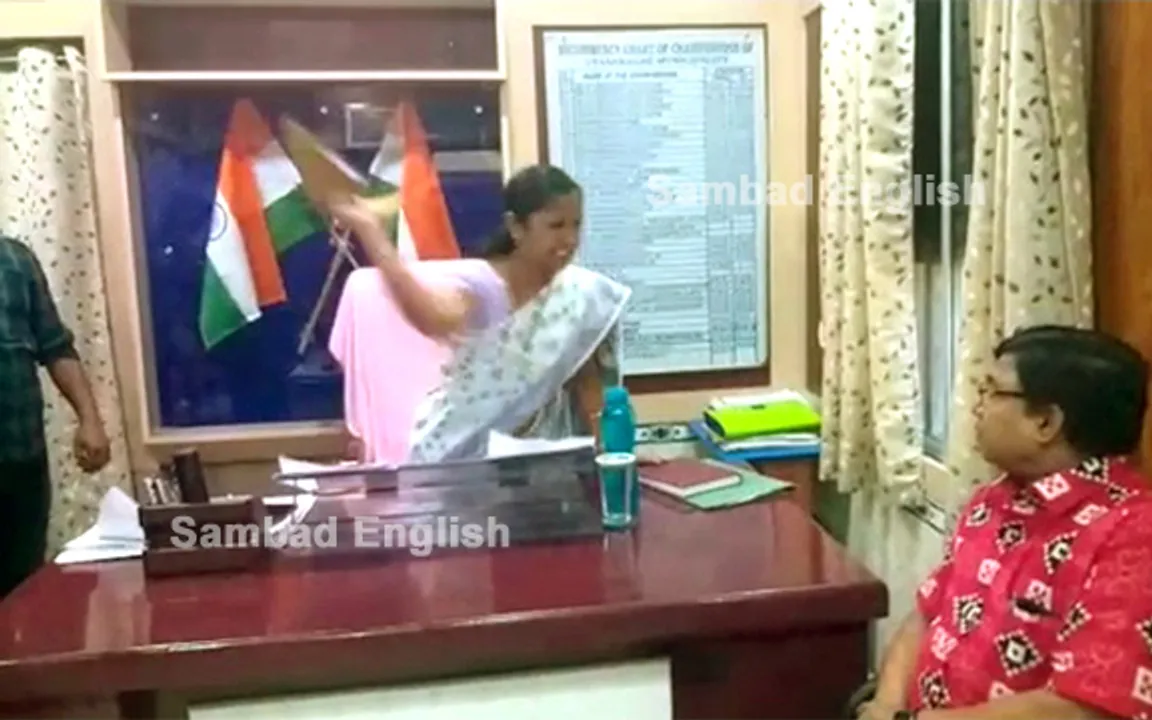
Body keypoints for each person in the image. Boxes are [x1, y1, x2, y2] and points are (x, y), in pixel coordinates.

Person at [859, 325, 1152, 720]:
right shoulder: (992, 499)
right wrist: (886, 705)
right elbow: (928, 614)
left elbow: (1087, 707)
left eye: (992, 391)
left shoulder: (1132, 534)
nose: (976, 407)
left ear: (1046, 422)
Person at [328, 164, 632, 463]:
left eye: (576, 225)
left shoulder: (583, 294)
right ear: (516, 227)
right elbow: (433, 318)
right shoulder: (484, 283)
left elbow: (593, 390)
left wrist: (615, 456)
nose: (569, 239)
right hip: (460, 459)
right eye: (556, 226)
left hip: (545, 464)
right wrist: (371, 233)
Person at [0, 235, 110, 599]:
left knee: (22, 588)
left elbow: (55, 345)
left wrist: (90, 419)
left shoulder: (16, 260)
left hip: (22, 460)